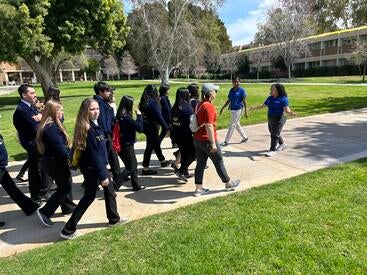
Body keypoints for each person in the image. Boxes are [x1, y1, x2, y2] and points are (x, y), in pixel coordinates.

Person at [60, 99, 125, 240]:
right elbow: (94, 155)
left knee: (110, 192)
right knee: (88, 197)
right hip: (93, 169)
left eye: (97, 109)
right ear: (85, 112)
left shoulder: (95, 125)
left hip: (99, 166)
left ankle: (114, 219)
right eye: (92, 109)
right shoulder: (87, 129)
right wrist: (103, 176)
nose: (96, 112)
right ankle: (68, 229)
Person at [193, 83, 240, 197]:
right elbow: (209, 126)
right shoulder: (208, 106)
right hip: (207, 140)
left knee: (200, 164)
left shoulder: (199, 104)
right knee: (219, 161)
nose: (216, 93)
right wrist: (213, 143)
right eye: (215, 91)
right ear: (210, 93)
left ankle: (198, 189)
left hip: (197, 139)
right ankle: (228, 184)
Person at [35, 100, 76, 227]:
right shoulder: (51, 128)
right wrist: (73, 160)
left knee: (64, 185)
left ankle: (68, 207)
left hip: (53, 162)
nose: (63, 113)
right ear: (53, 112)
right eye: (60, 111)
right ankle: (45, 211)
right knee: (65, 187)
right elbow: (61, 150)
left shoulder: (52, 125)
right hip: (56, 163)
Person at [13, 84, 51, 203]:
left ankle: (37, 195)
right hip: (33, 143)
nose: (35, 95)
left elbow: (39, 121)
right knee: (41, 168)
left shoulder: (30, 107)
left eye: (34, 92)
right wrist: (42, 118)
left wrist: (40, 117)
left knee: (35, 169)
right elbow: (36, 128)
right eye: (32, 93)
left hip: (37, 141)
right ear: (24, 95)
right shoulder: (21, 110)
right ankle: (43, 192)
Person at [249, 83, 296, 157]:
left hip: (279, 119)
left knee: (274, 134)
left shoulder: (283, 99)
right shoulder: (270, 98)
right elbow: (263, 106)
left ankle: (272, 150)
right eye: (271, 89)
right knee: (273, 132)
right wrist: (254, 107)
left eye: (272, 89)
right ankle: (282, 144)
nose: (271, 90)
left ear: (277, 90)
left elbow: (286, 109)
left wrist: (290, 112)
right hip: (271, 117)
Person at [0, 132, 39, 217]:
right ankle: (29, 207)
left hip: (1, 166)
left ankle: (29, 207)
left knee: (11, 187)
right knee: (11, 187)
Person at [114, 96, 146, 192]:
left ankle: (136, 185)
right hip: (127, 145)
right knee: (131, 167)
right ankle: (115, 185)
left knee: (132, 165)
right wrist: (139, 116)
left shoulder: (119, 115)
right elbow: (139, 128)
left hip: (122, 143)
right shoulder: (126, 117)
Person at [139, 85, 171, 175]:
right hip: (153, 127)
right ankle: (145, 168)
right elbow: (159, 116)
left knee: (156, 144)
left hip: (146, 126)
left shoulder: (144, 101)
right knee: (149, 147)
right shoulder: (153, 102)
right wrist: (166, 128)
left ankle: (162, 161)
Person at [93, 82, 121, 181]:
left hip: (106, 133)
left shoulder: (102, 102)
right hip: (105, 134)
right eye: (107, 91)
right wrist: (106, 135)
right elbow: (103, 121)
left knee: (111, 157)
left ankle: (117, 175)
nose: (110, 93)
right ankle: (117, 177)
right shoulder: (100, 104)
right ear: (100, 92)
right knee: (109, 157)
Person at [171, 88, 196, 182]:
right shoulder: (187, 108)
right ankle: (181, 171)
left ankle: (185, 172)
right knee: (193, 154)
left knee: (184, 154)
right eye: (188, 94)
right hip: (186, 135)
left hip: (177, 135)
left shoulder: (174, 107)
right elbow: (192, 122)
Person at [219, 76, 249, 147]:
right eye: (235, 82)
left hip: (238, 109)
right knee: (236, 125)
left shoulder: (242, 90)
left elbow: (244, 101)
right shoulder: (231, 90)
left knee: (232, 125)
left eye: (238, 81)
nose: (236, 83)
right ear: (232, 82)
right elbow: (229, 100)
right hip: (232, 109)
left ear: (239, 82)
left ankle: (226, 142)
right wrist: (222, 108)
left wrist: (246, 111)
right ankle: (245, 137)